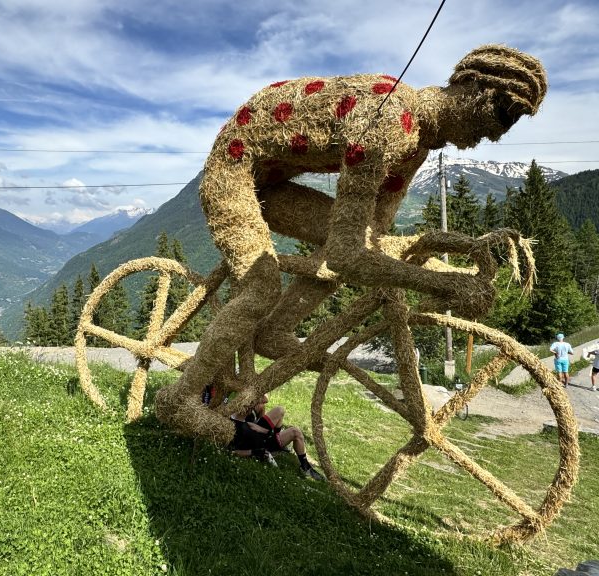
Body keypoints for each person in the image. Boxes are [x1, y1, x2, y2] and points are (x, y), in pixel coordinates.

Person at [155, 44, 547, 445]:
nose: (490, 136)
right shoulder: (391, 119)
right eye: (498, 113)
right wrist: (445, 285)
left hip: (274, 184)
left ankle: (275, 333)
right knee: (262, 286)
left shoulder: (417, 147)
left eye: (507, 125)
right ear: (468, 84)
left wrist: (444, 263)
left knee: (353, 241)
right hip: (234, 169)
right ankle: (179, 399)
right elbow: (347, 255)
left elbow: (372, 236)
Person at [229, 394, 325, 481]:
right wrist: (253, 452)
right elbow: (231, 452)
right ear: (239, 405)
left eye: (252, 404)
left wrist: (259, 427)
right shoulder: (232, 427)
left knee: (284, 416)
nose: (251, 407)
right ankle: (303, 466)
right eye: (249, 405)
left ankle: (305, 467)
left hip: (264, 435)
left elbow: (265, 399)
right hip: (262, 446)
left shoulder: (246, 419)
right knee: (295, 432)